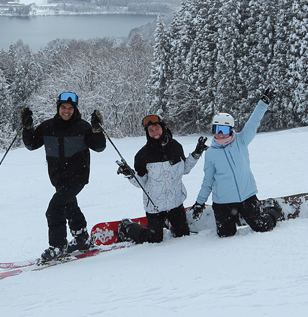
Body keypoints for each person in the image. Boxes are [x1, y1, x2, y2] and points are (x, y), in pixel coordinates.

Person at [21, 92, 106, 261]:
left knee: (54, 209)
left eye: (70, 108)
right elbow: (32, 144)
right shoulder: (47, 127)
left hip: (77, 176)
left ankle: (58, 246)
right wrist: (27, 127)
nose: (66, 111)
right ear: (58, 108)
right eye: (63, 107)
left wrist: (97, 130)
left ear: (75, 109)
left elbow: (99, 147)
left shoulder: (83, 127)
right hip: (57, 177)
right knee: (69, 205)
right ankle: (82, 239)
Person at [191, 89, 277, 238]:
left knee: (261, 227)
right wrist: (200, 203)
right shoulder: (211, 153)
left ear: (230, 129)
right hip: (223, 202)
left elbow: (253, 122)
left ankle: (273, 210)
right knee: (226, 234)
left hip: (247, 196)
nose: (220, 133)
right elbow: (208, 181)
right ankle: (237, 217)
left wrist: (263, 104)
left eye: (223, 129)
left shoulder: (241, 141)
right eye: (216, 129)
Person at [115, 115, 208, 243]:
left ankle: (171, 222)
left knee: (183, 235)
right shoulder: (142, 155)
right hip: (155, 206)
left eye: (157, 128)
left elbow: (184, 169)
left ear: (163, 128)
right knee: (154, 239)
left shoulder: (176, 147)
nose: (155, 133)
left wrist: (197, 153)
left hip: (175, 202)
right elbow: (141, 183)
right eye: (151, 130)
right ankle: (127, 227)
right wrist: (130, 175)